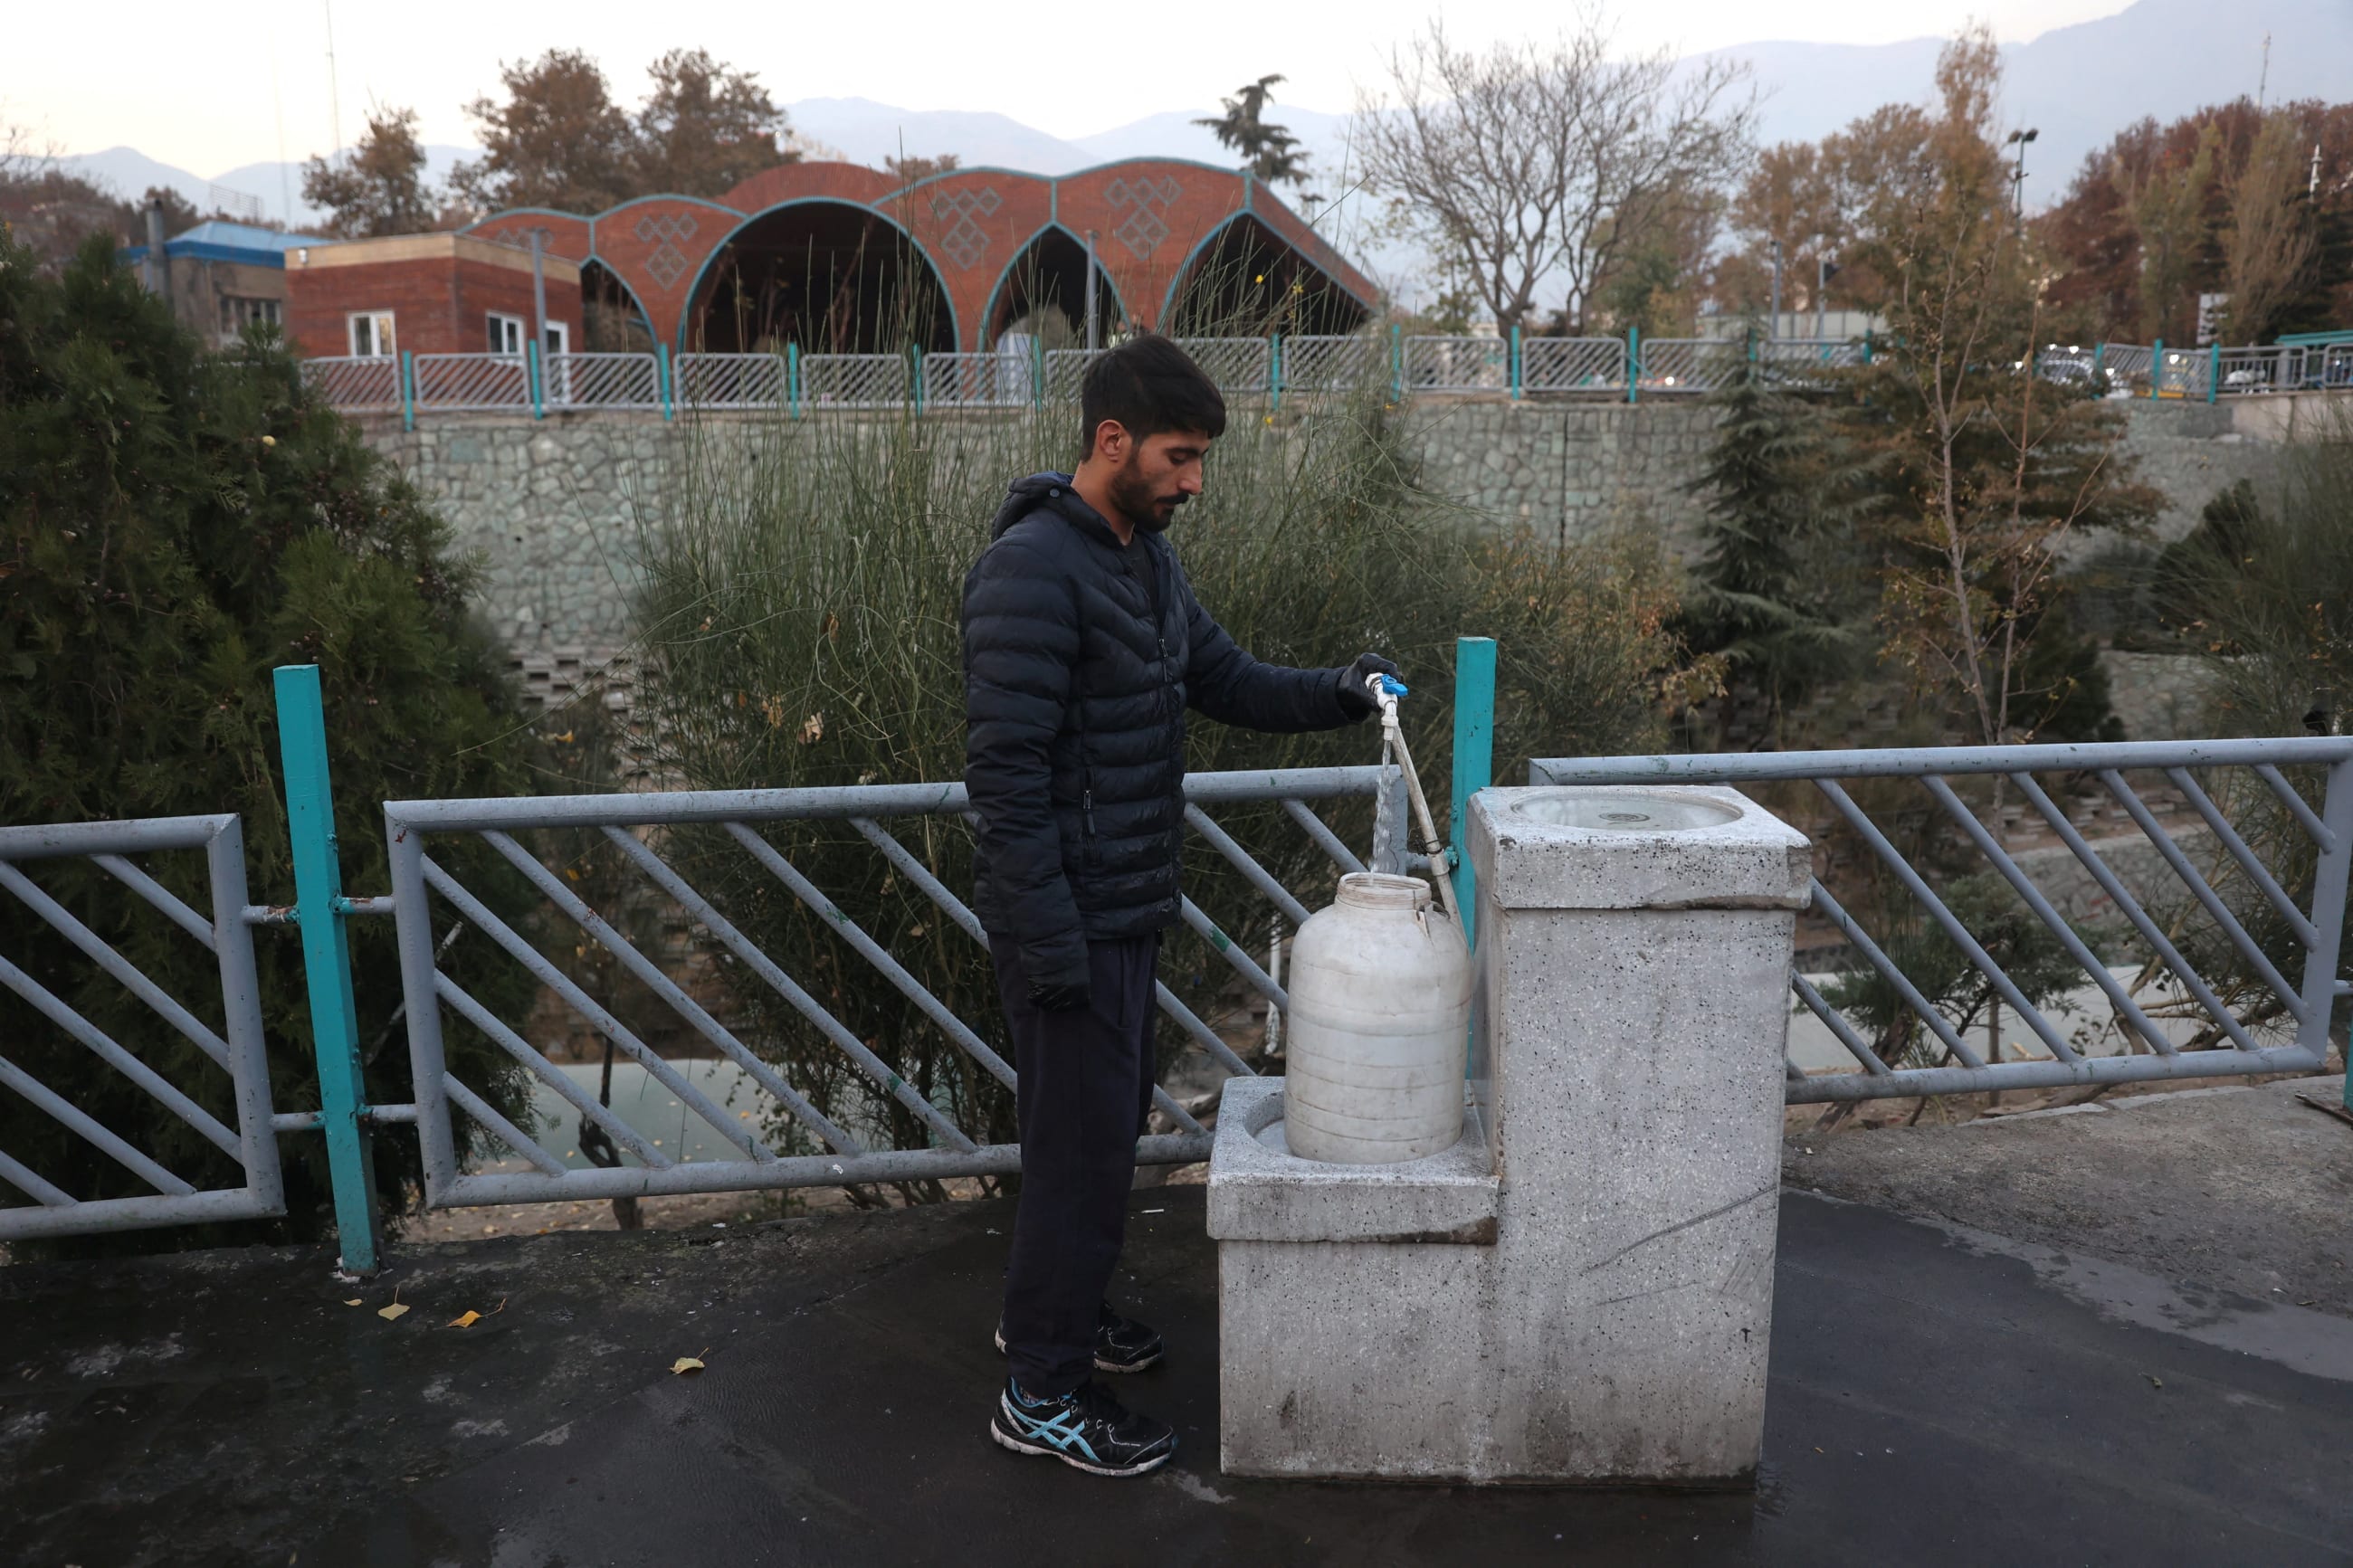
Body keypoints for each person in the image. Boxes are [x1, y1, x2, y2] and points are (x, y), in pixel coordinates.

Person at [961, 334, 1396, 1477]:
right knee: (1078, 1157)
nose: (1193, 480)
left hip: (1120, 908)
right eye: (1178, 455)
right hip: (1066, 923)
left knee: (1093, 1148)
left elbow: (1226, 677)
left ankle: (1046, 1321)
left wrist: (1342, 691)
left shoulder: (1141, 562)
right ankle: (1039, 1394)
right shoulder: (1029, 572)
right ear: (1111, 441)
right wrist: (1051, 943)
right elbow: (1002, 786)